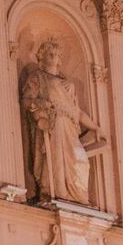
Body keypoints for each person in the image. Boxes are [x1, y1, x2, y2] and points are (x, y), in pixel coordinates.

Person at [20, 38, 104, 204]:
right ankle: (55, 192)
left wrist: (95, 128)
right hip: (53, 124)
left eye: (57, 54)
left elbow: (77, 112)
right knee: (56, 160)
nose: (54, 57)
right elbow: (26, 100)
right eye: (50, 54)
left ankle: (76, 196)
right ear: (41, 57)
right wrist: (39, 104)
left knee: (81, 162)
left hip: (70, 126)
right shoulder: (37, 77)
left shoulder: (67, 82)